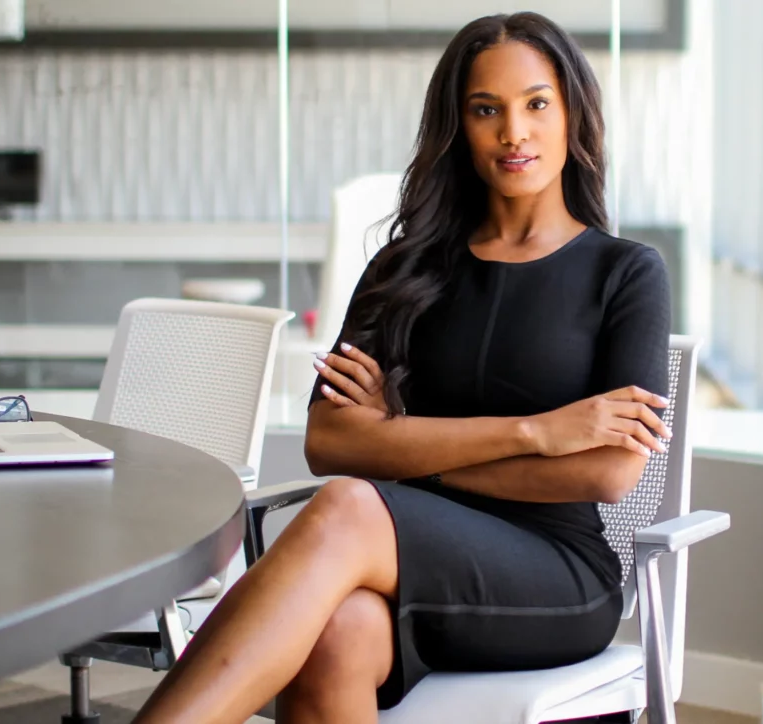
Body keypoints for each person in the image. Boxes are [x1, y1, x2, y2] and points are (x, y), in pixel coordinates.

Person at [133, 10, 672, 724]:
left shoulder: (626, 273)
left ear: (573, 112)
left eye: (536, 104)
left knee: (349, 505)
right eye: (487, 110)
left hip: (555, 572)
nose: (514, 133)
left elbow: (605, 473)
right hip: (405, 550)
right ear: (460, 127)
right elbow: (330, 441)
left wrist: (402, 444)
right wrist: (538, 432)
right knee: (339, 633)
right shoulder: (405, 268)